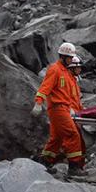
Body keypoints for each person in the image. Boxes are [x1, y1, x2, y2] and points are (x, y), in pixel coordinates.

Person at [31, 42, 85, 176]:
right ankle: (74, 166)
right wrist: (38, 103)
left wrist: (72, 107)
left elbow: (68, 94)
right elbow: (45, 87)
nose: (72, 60)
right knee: (72, 134)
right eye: (70, 58)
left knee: (57, 138)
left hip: (64, 108)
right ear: (63, 56)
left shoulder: (66, 72)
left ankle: (45, 162)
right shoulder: (55, 69)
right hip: (57, 108)